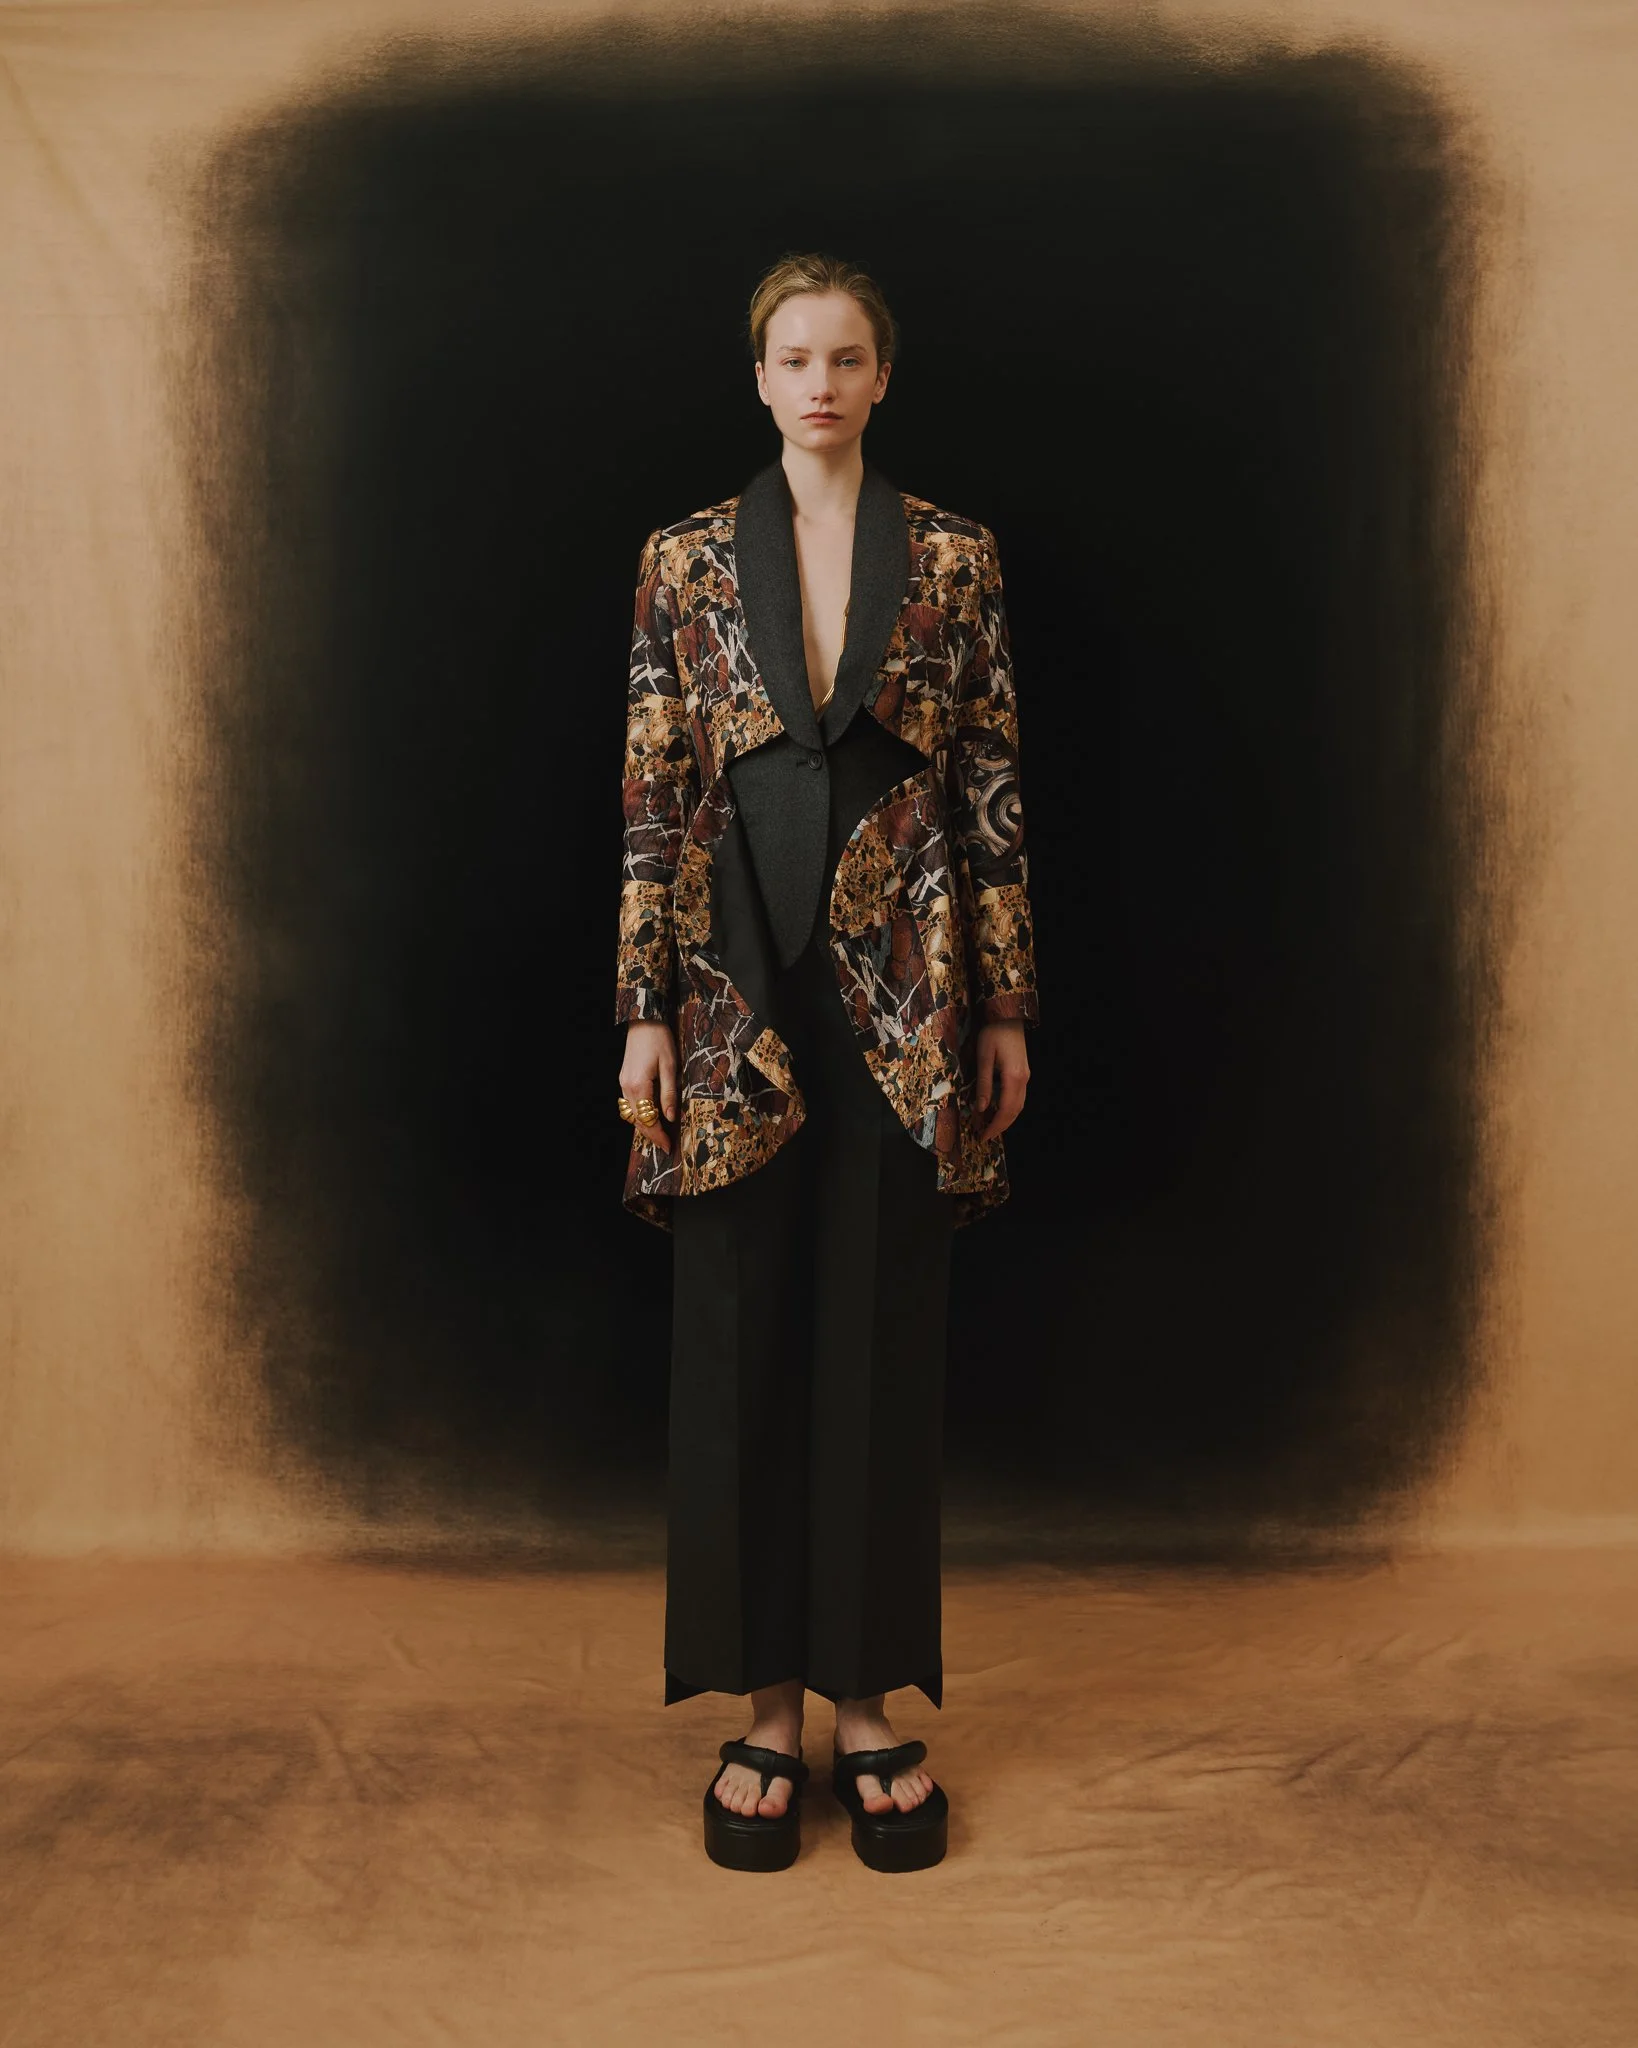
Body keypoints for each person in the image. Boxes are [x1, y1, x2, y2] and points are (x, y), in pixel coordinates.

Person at [614, 252, 1039, 1870]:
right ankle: (765, 1709)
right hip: (728, 971)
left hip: (904, 979)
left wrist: (1003, 1006)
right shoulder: (679, 560)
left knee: (874, 1325)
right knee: (737, 1327)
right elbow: (654, 780)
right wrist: (643, 1005)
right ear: (758, 378)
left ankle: (863, 1706)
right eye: (793, 357)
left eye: (845, 357)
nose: (819, 382)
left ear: (880, 377)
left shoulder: (953, 556)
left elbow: (990, 777)